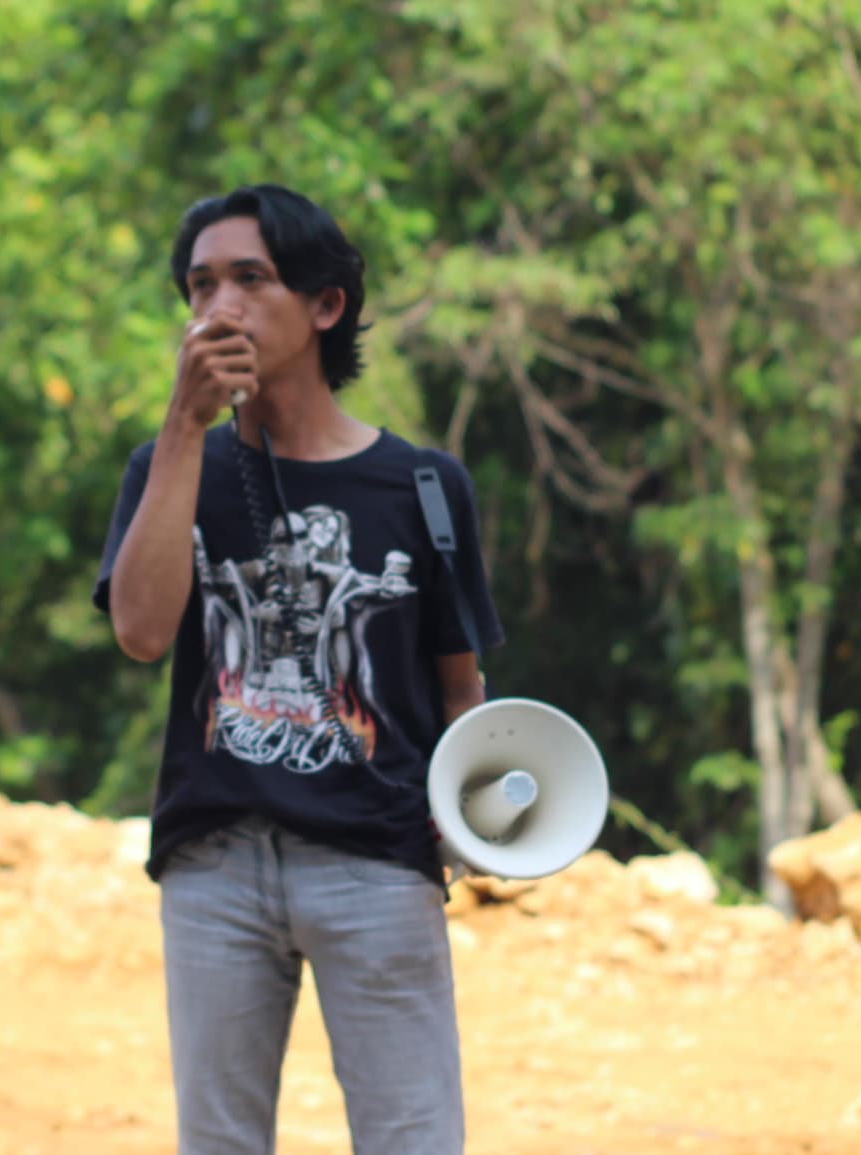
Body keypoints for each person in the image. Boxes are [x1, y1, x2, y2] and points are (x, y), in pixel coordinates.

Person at [93, 183, 503, 1155]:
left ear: (325, 304)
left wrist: (473, 826)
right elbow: (141, 633)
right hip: (214, 867)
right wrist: (185, 425)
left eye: (250, 278)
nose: (219, 306)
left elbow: (460, 690)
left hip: (377, 862)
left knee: (413, 1140)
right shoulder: (166, 467)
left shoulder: (423, 485)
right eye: (200, 286)